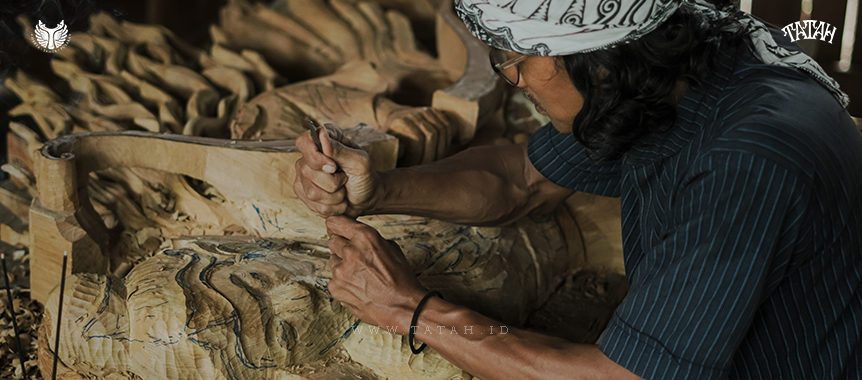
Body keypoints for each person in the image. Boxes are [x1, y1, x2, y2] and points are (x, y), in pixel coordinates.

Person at [293, 0, 862, 378]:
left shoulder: (745, 160)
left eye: (514, 58)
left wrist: (410, 311)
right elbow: (518, 180)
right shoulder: (667, 77)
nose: (509, 79)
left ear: (601, 58)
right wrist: (376, 190)